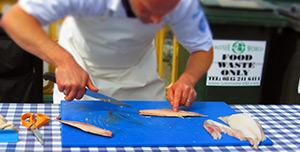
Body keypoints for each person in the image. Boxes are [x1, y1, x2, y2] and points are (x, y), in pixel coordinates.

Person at [1, 0, 213, 111]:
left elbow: (203, 48)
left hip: (143, 82)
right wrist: (63, 61)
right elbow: (16, 19)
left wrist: (188, 79)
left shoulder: (184, 3)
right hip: (82, 83)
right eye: (148, 9)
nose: (158, 21)